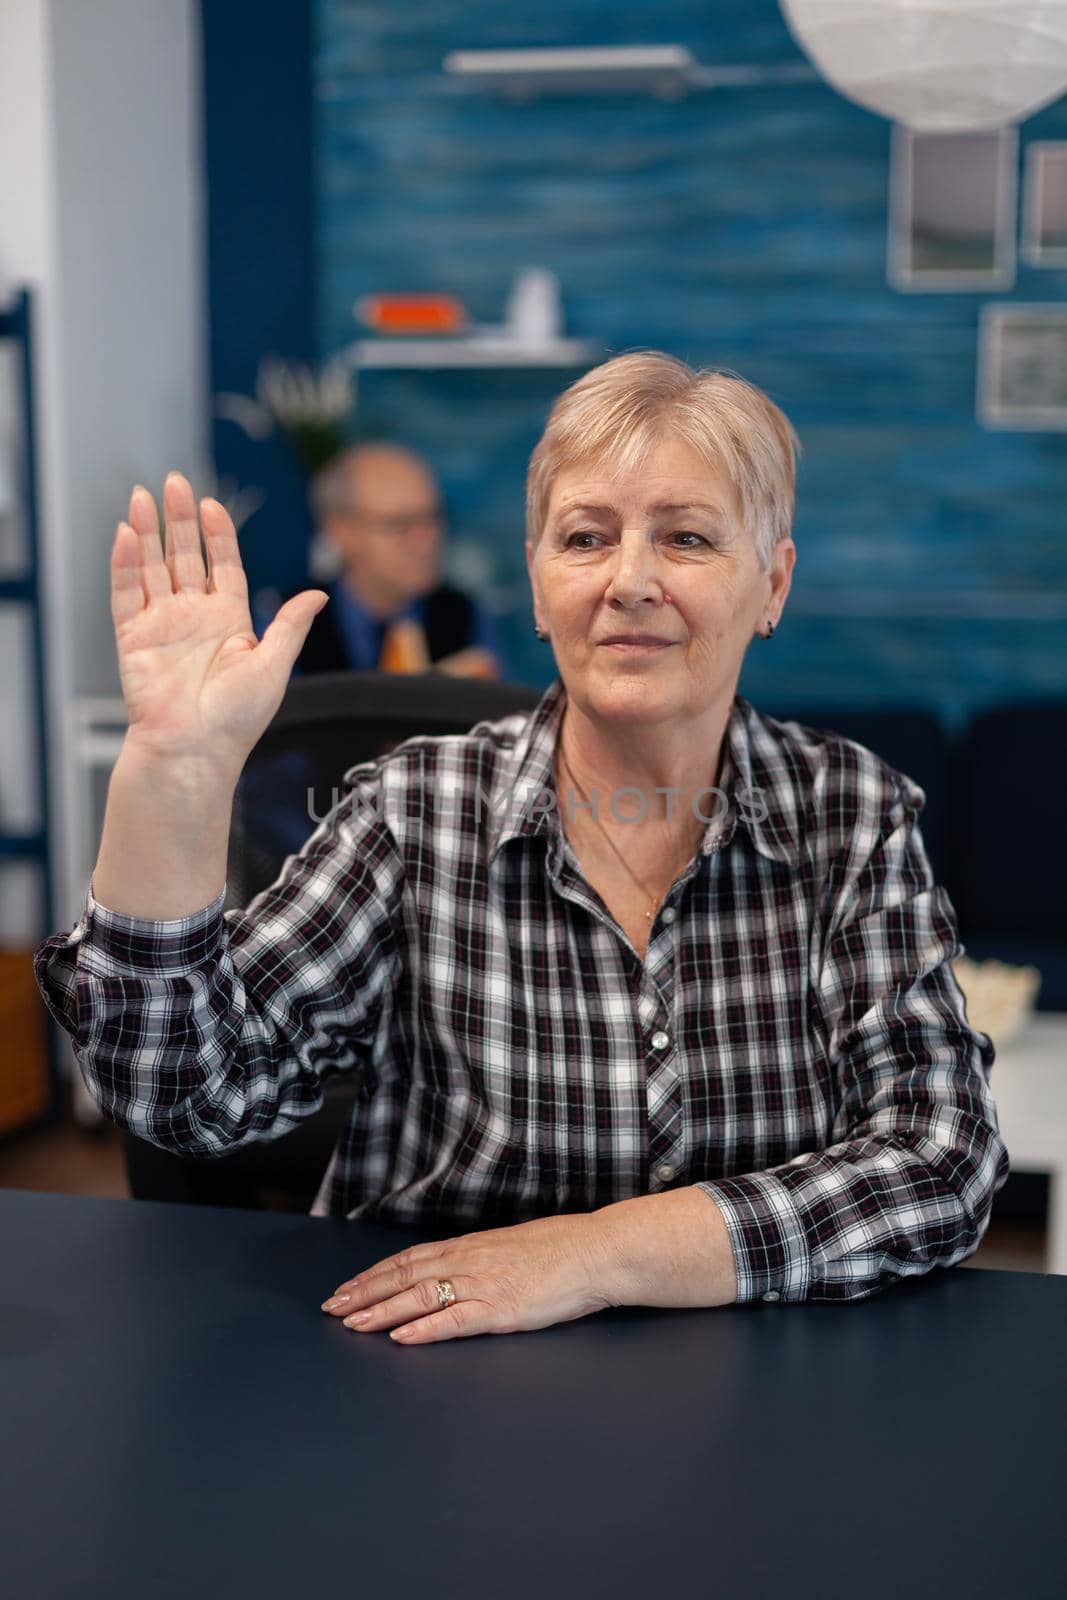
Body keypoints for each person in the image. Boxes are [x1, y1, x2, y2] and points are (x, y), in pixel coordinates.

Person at [34, 351, 1008, 1345]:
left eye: (685, 538)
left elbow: (939, 1159)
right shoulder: (415, 810)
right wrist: (172, 773)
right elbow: (184, 1091)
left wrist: (589, 1253)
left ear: (771, 582)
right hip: (425, 1373)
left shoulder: (849, 811)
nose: (630, 580)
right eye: (585, 537)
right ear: (538, 590)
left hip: (755, 1392)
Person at [261, 440, 504, 679]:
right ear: (340, 531)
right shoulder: (291, 624)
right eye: (400, 524)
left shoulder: (465, 617)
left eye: (433, 517)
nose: (426, 540)